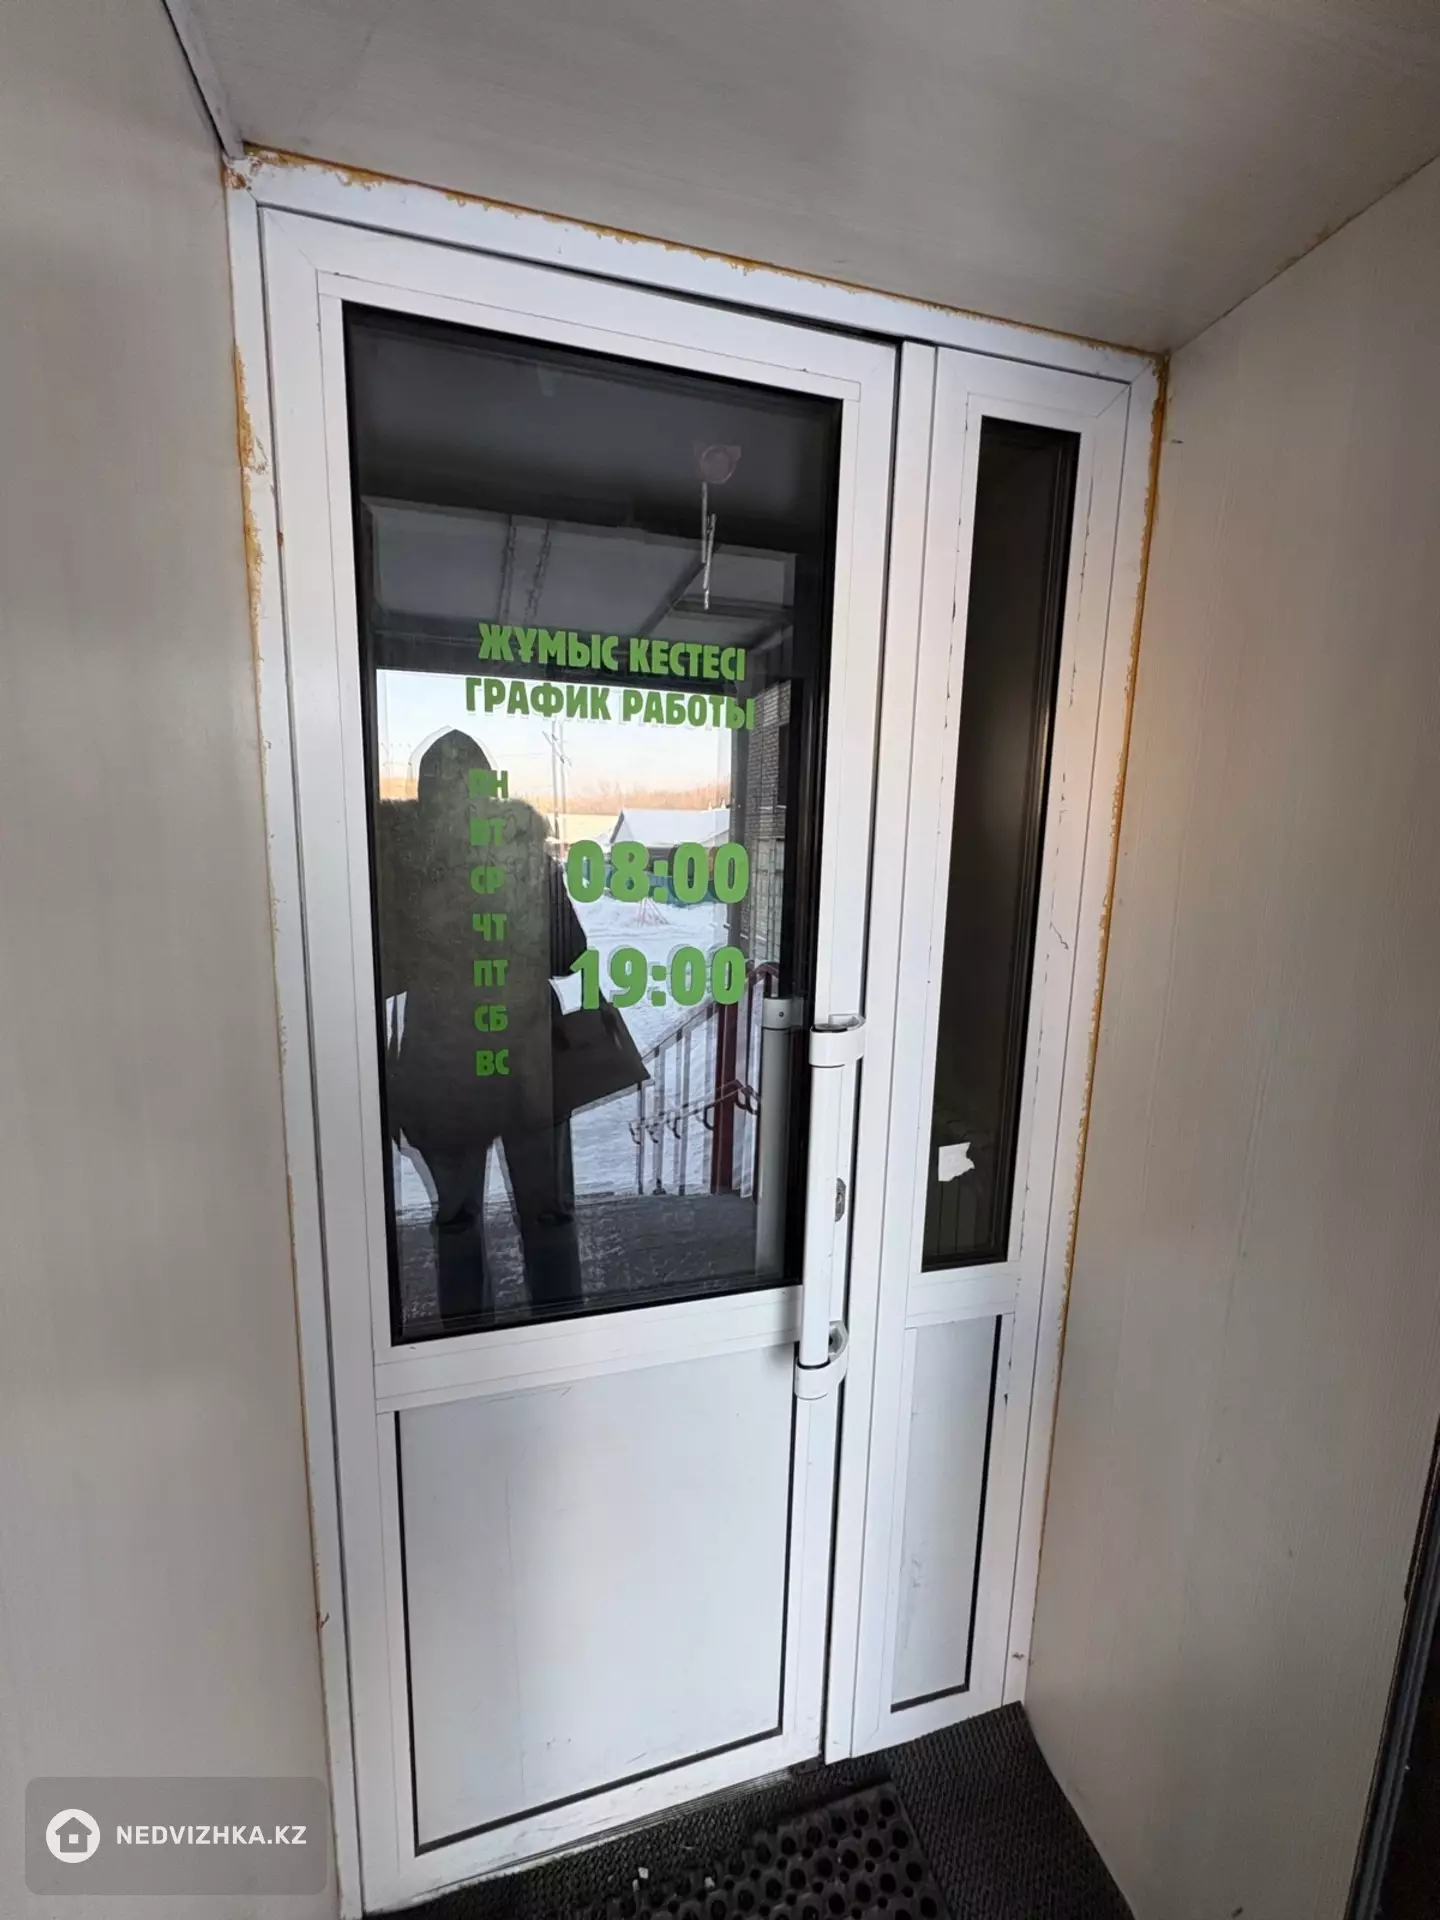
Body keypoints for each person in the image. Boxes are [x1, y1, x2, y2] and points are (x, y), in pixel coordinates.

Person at [380, 730, 586, 1323]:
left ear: (425, 791)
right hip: (527, 1064)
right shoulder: (522, 851)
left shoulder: (404, 863)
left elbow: (385, 973)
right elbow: (569, 953)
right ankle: (557, 1335)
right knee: (548, 1216)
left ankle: (465, 1341)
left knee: (457, 1219)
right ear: (488, 786)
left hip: (443, 1069)